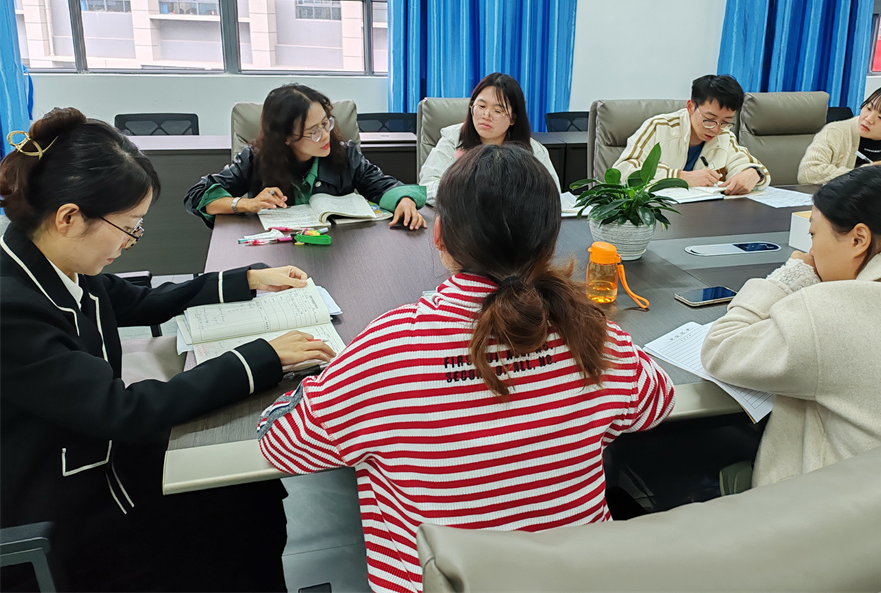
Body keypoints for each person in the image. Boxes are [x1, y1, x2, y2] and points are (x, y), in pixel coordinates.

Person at [257, 144, 676, 593]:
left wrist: (325, 381)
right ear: (551, 240)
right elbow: (657, 400)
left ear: (439, 236)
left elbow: (282, 444)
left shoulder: (390, 348)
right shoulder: (593, 333)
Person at [0, 109, 334, 592]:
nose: (131, 242)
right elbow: (121, 411)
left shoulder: (51, 260)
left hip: (100, 463)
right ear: (69, 217)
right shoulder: (12, 309)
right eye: (129, 226)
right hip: (64, 515)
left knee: (253, 494)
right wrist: (261, 357)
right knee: (237, 522)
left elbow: (140, 299)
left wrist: (247, 278)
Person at [701, 166, 881, 489]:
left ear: (859, 239)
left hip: (874, 513)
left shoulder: (833, 310)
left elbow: (721, 348)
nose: (811, 251)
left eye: (814, 235)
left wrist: (787, 279)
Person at [185, 84, 427, 229]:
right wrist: (247, 204)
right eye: (313, 132)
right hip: (278, 255)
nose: (325, 135)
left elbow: (384, 185)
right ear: (285, 137)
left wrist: (404, 200)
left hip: (337, 253)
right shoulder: (256, 159)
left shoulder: (345, 154)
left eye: (325, 123)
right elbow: (197, 196)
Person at [612, 74, 770, 195]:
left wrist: (753, 173)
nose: (716, 129)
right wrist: (680, 177)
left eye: (726, 121)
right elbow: (622, 172)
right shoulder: (659, 127)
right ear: (690, 106)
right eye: (709, 119)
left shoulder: (724, 135)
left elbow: (750, 166)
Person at [417, 72, 561, 204]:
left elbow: (552, 196)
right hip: (463, 218)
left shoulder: (533, 150)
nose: (486, 115)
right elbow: (427, 188)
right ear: (471, 107)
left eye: (497, 110)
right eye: (481, 106)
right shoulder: (453, 139)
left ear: (513, 118)